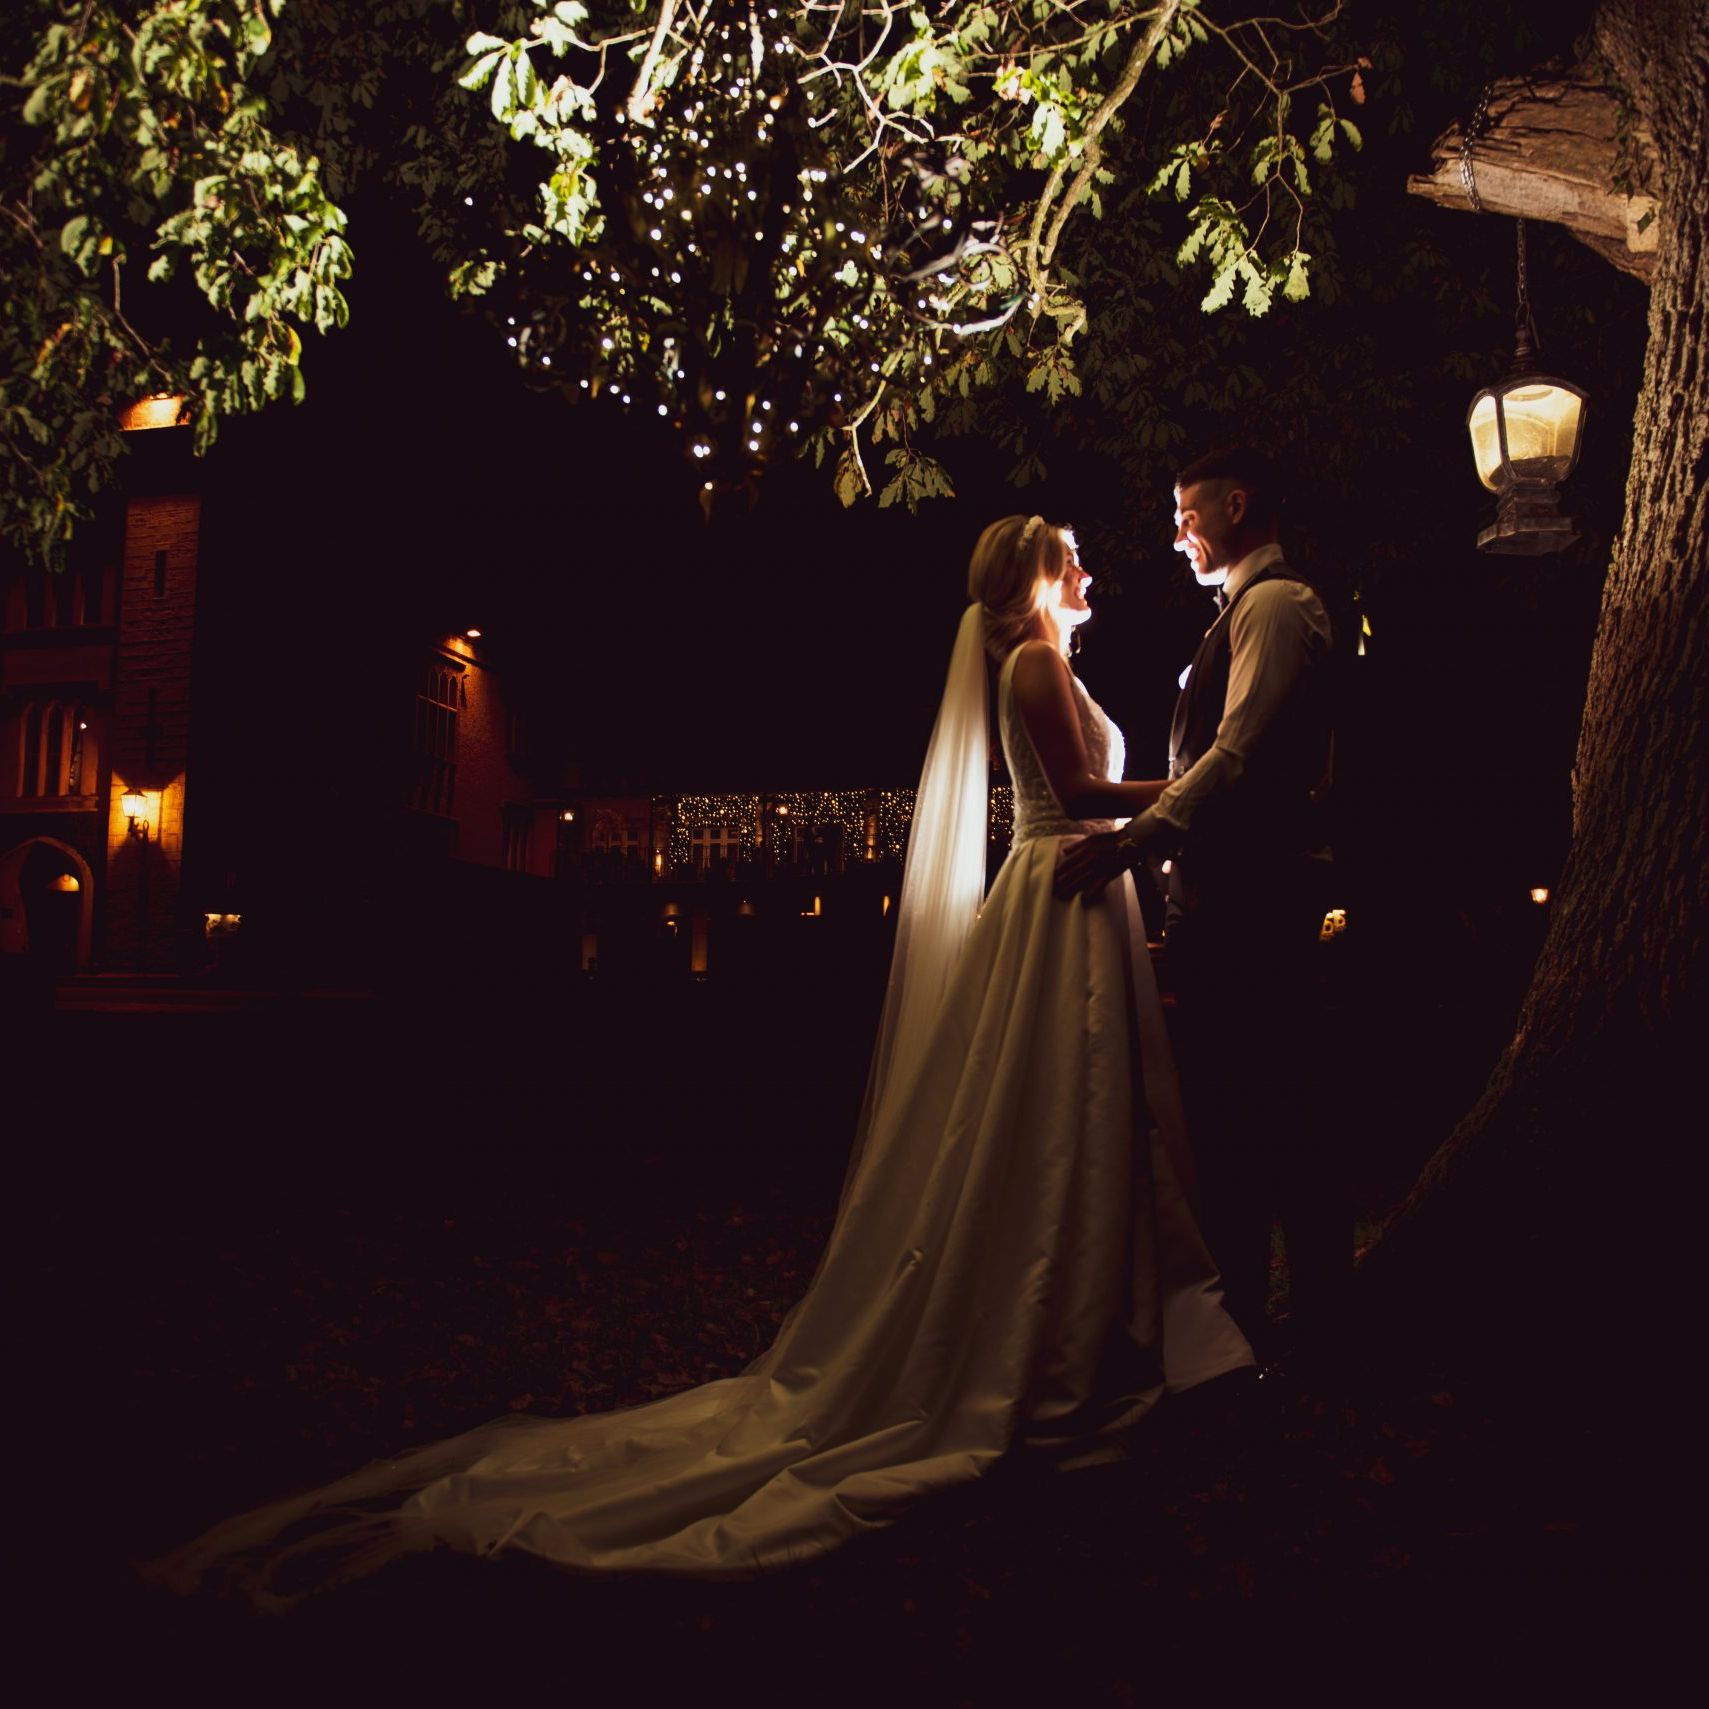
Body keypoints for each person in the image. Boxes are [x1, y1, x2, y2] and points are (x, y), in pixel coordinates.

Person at [151, 516, 1250, 1607]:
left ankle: (1086, 1306)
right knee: (1060, 1105)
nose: (1088, 566)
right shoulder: (1034, 664)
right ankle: (1061, 1324)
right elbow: (1077, 796)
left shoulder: (1043, 662)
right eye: (1071, 555)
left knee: (1074, 1109)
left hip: (1080, 887)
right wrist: (1202, 786)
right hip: (1063, 893)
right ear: (1036, 576)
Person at [1055, 447, 1346, 1362]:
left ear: (1237, 504)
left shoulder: (1276, 607)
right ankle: (1246, 1320)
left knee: (1271, 1109)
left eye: (1187, 515)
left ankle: (1303, 1323)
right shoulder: (1237, 616)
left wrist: (1129, 845)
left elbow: (1238, 755)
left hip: (1254, 900)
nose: (1177, 535)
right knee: (1230, 1112)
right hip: (1223, 897)